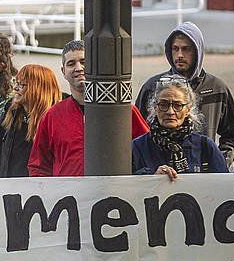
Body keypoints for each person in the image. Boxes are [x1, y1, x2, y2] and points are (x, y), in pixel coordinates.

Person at [28, 40, 150, 177]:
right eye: (71, 63)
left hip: (114, 195)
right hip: (69, 196)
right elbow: (38, 167)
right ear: (63, 71)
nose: (78, 68)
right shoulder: (52, 116)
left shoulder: (124, 112)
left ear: (96, 65)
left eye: (84, 61)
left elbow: (148, 152)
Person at [134, 22, 234, 165]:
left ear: (198, 51)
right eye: (175, 49)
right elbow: (136, 133)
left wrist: (218, 161)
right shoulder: (153, 87)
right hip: (159, 174)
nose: (180, 55)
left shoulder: (217, 88)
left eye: (186, 49)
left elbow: (232, 137)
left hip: (202, 175)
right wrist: (148, 169)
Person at [133, 77, 229, 178]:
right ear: (155, 108)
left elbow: (223, 185)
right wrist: (152, 178)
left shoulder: (205, 147)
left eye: (177, 105)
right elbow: (125, 185)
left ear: (188, 109)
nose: (170, 112)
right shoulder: (138, 147)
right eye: (163, 105)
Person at [0, 64, 59, 178]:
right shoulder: (9, 114)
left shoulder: (55, 122)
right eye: (16, 83)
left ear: (39, 88)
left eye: (22, 85)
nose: (16, 88)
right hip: (8, 190)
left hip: (41, 190)